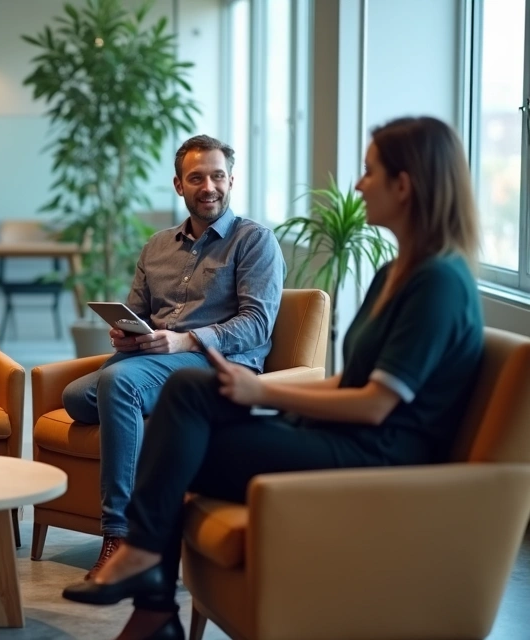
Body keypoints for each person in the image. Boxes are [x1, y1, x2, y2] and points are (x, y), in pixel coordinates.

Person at [62, 116, 484, 640]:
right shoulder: (395, 273)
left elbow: (376, 404)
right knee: (186, 400)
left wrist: (261, 389)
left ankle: (142, 571)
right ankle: (152, 604)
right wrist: (261, 394)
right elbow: (350, 382)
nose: (358, 185)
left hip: (377, 454)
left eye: (369, 171)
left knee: (180, 435)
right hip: (345, 437)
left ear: (404, 185)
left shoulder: (438, 282)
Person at [59, 134, 284, 577]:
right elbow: (137, 313)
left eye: (218, 176)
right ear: (179, 185)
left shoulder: (255, 241)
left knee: (118, 384)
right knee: (75, 397)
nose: (209, 187)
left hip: (216, 365)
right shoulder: (156, 246)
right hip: (153, 361)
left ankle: (122, 534)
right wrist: (126, 335)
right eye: (196, 178)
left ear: (231, 180)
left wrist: (187, 340)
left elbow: (257, 324)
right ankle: (149, 413)